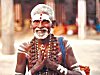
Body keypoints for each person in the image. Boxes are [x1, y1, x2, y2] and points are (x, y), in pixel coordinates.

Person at [15, 4, 86, 75]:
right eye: (36, 21)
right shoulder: (24, 48)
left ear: (53, 24)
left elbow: (78, 74)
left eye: (45, 21)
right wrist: (35, 68)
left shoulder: (63, 44)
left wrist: (55, 67)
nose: (40, 26)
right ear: (31, 24)